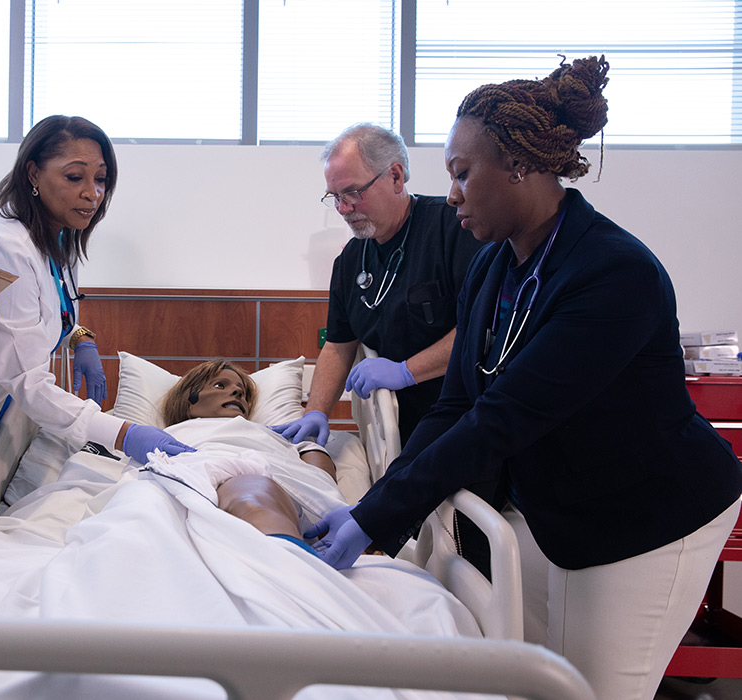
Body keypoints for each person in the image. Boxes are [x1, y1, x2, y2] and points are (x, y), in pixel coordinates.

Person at [308, 56, 742, 700]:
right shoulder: (494, 268)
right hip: (560, 509)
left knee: (593, 690)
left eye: (461, 173)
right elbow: (456, 404)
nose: (450, 193)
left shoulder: (612, 273)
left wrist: (377, 517)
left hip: (650, 515)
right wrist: (375, 510)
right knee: (544, 678)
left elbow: (504, 416)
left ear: (518, 167)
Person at [0, 115, 193, 531]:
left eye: (101, 179)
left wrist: (80, 337)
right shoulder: (6, 245)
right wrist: (124, 434)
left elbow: (57, 306)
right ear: (33, 173)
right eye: (74, 177)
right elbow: (27, 381)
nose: (92, 193)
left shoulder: (57, 233)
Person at [272, 124, 484, 448]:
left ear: (396, 177)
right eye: (335, 197)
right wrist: (316, 412)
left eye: (353, 193)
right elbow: (339, 346)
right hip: (397, 430)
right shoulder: (349, 263)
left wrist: (406, 371)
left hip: (464, 418)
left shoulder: (456, 229)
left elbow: (481, 329)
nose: (343, 209)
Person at [153, 360, 344, 553]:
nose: (237, 393)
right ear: (189, 403)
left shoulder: (271, 435)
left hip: (262, 486)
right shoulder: (167, 435)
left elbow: (319, 480)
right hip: (188, 481)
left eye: (242, 392)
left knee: (253, 493)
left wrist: (314, 453)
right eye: (220, 385)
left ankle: (281, 554)